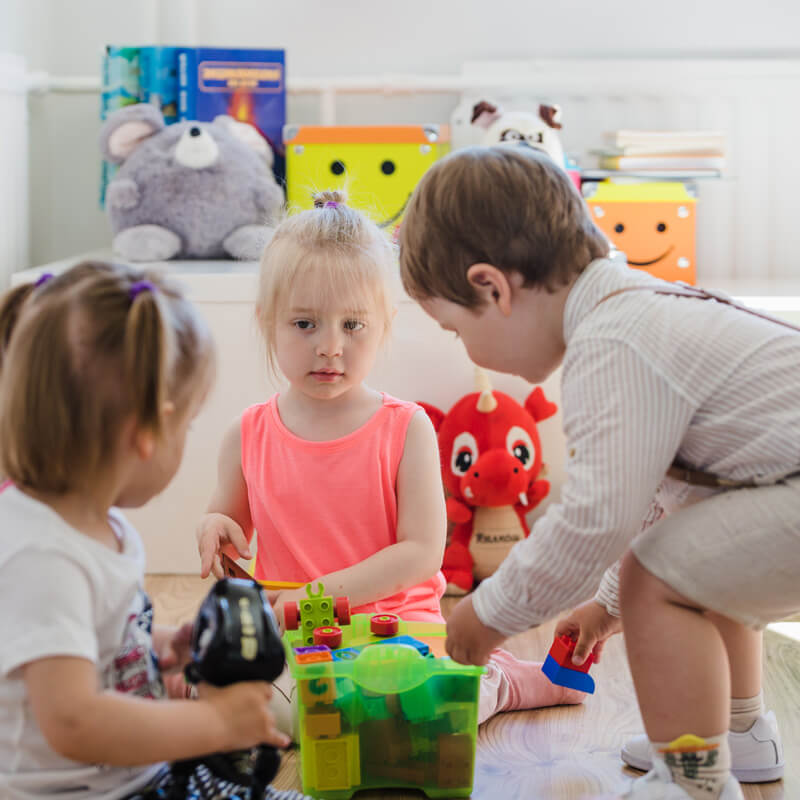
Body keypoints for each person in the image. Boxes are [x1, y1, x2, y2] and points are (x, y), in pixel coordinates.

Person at [397, 144, 800, 800]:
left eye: (453, 329)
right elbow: (663, 500)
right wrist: (606, 608)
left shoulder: (610, 343)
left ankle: (691, 778)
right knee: (699, 550)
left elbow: (596, 517)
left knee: (660, 577)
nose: (465, 349)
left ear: (491, 287)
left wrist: (487, 614)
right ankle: (739, 732)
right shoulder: (638, 310)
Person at [196, 191, 585, 734]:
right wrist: (216, 525)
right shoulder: (248, 433)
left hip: (394, 628)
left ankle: (505, 680)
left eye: (351, 326)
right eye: (305, 324)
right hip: (298, 636)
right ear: (267, 322)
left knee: (421, 711)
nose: (329, 347)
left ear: (382, 324)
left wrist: (311, 599)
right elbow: (232, 528)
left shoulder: (406, 428)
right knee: (229, 698)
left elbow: (422, 554)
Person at [0, 262, 308, 799]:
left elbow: (96, 642)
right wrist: (215, 726)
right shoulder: (42, 556)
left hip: (138, 776)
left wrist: (161, 644)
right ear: (145, 433)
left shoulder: (100, 525)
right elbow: (73, 720)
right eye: (185, 425)